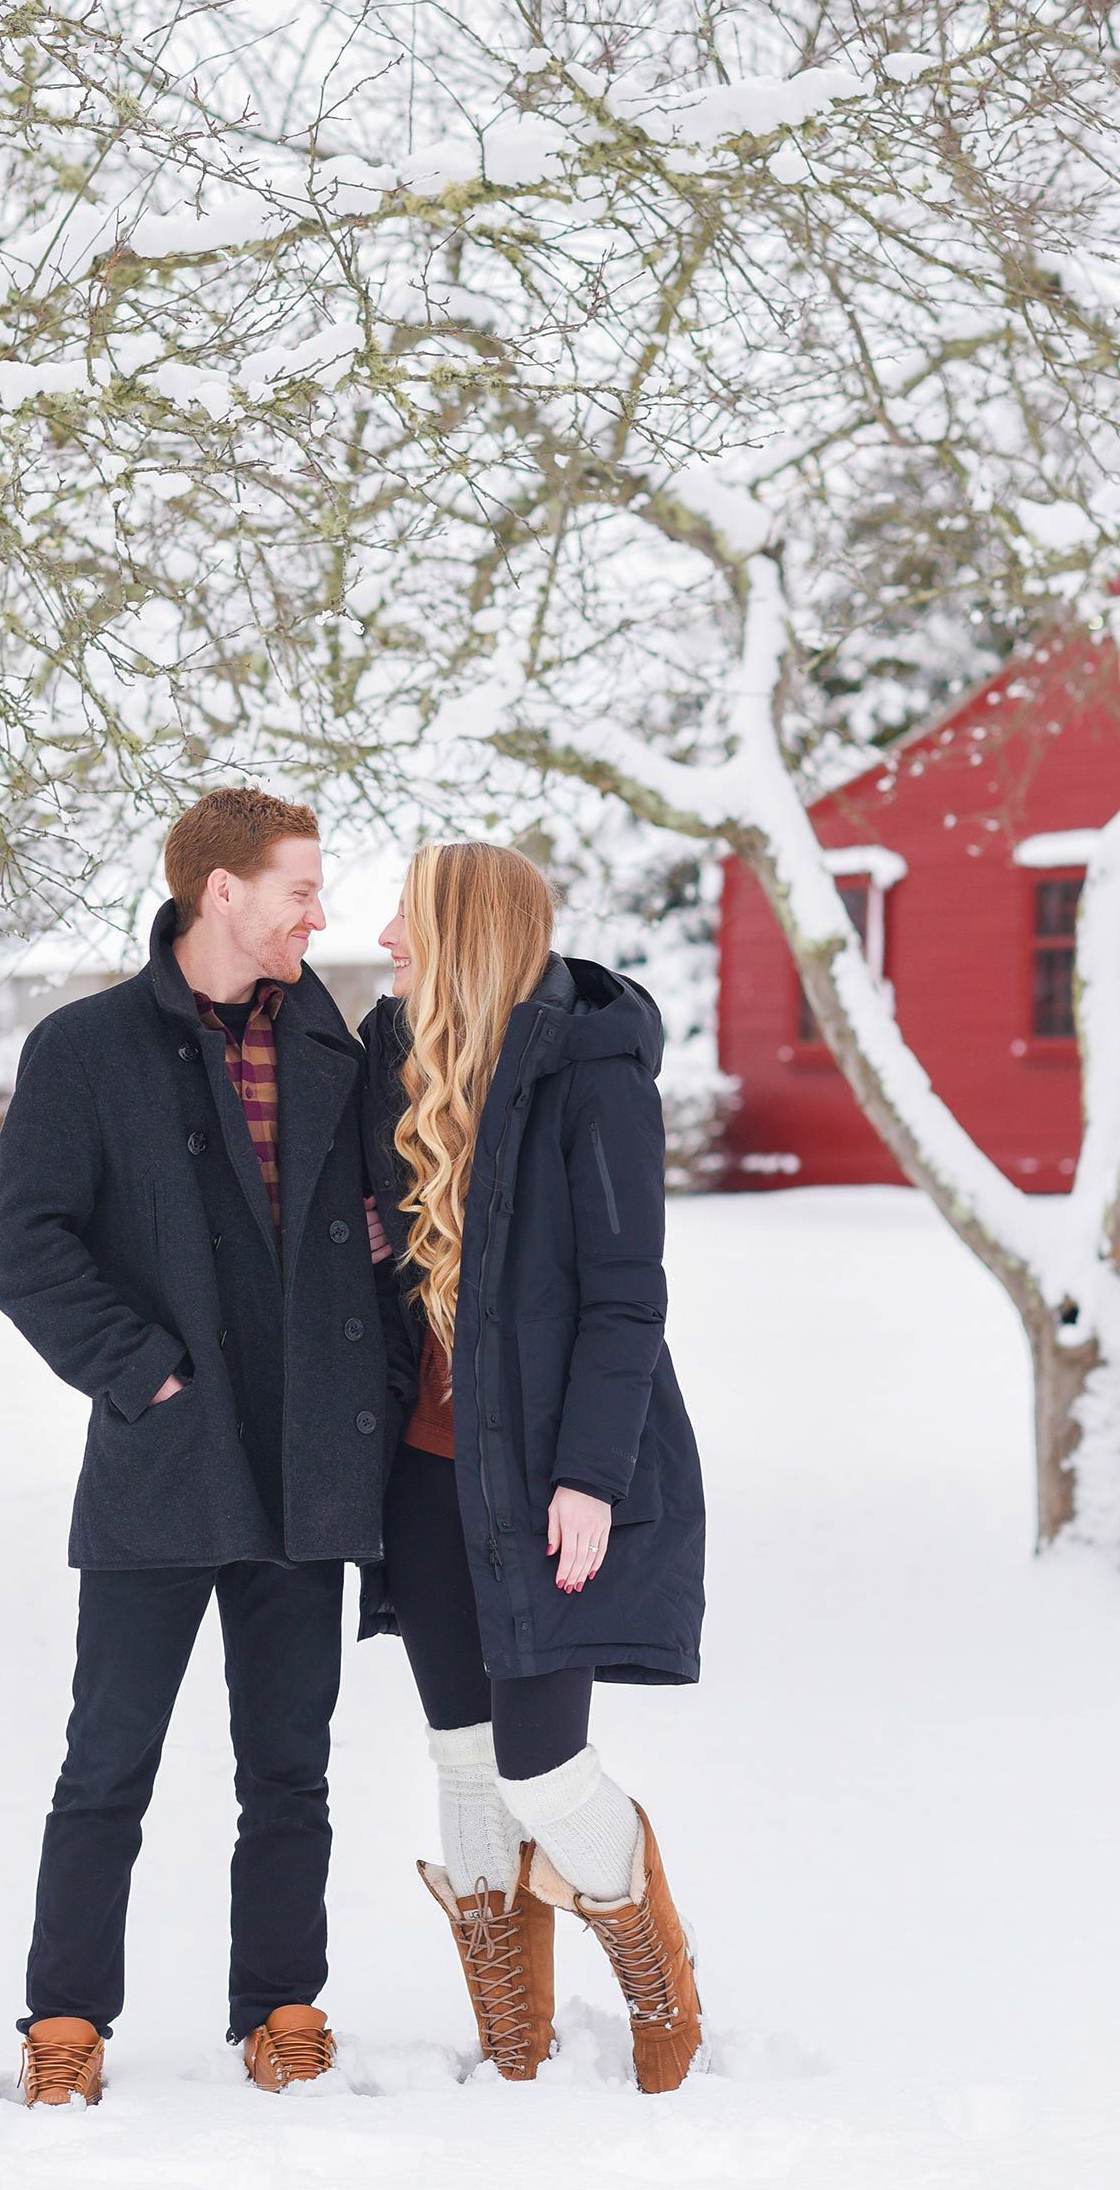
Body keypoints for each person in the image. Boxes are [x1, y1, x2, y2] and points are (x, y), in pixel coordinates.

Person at [0, 788, 415, 2107]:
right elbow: (26, 1246)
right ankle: (66, 2022)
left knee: (290, 1767)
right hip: (165, 1460)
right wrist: (143, 1373)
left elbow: (385, 1212)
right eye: (300, 888)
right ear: (220, 890)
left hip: (307, 1461)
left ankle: (282, 2009)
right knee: (107, 1762)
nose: (320, 914)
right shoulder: (86, 1047)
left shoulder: (335, 1044)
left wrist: (383, 1245)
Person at [359, 841, 707, 2092]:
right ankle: (515, 2031)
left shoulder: (593, 1075)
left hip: (548, 1478)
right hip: (424, 1472)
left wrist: (591, 1476)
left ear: (462, 929)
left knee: (542, 1768)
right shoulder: (393, 1058)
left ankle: (655, 1968)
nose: (383, 936)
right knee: (461, 1756)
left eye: (405, 914)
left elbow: (625, 1297)